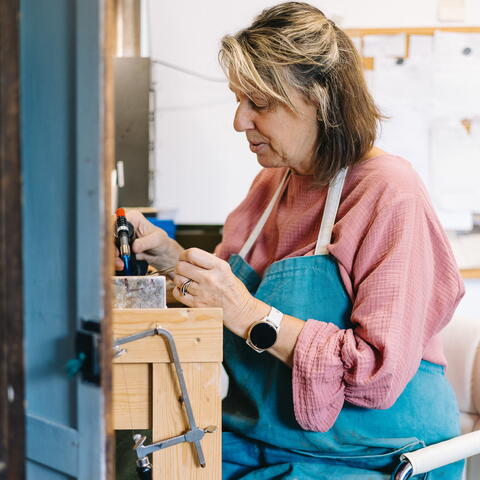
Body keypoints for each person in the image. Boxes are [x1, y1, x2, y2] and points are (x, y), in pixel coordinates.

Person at [116, 2, 465, 478]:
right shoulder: (274, 183)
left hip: (371, 455)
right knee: (147, 462)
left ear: (321, 100)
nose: (240, 122)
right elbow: (223, 301)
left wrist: (246, 312)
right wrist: (170, 260)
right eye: (239, 100)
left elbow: (374, 374)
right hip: (263, 439)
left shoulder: (388, 192)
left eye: (259, 103)